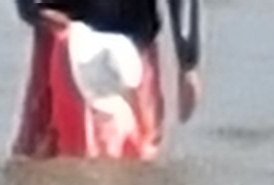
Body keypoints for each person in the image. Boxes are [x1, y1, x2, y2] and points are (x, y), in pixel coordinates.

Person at [13, 1, 200, 161]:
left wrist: (188, 60)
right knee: (46, 154)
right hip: (65, 34)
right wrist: (29, 9)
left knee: (137, 159)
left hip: (132, 40)